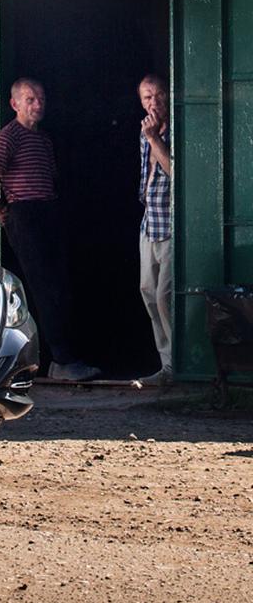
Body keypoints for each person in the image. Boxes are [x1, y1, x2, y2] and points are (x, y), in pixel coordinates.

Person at [0, 77, 101, 382]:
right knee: (45, 288)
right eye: (30, 99)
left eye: (41, 99)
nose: (38, 105)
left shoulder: (43, 140)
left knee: (59, 286)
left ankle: (58, 360)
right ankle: (62, 360)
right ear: (14, 103)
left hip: (48, 212)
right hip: (25, 214)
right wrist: (3, 211)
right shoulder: (10, 136)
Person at [136, 73, 173, 384]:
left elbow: (174, 170)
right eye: (147, 97)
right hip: (150, 221)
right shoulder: (144, 132)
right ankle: (166, 365)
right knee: (148, 291)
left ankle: (177, 366)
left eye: (158, 95)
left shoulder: (174, 128)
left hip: (172, 223)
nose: (153, 103)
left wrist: (154, 139)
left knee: (166, 296)